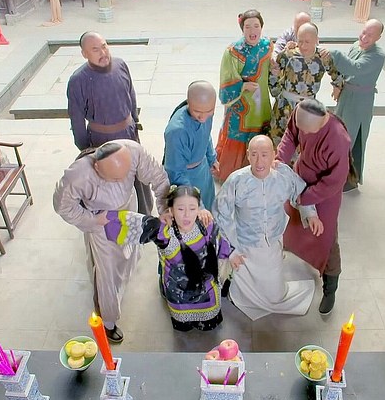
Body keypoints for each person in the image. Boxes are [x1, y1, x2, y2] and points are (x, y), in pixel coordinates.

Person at [53, 140, 170, 342]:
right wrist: (92, 220)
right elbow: (62, 205)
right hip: (102, 219)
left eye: (125, 174)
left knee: (129, 254)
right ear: (97, 167)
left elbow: (159, 178)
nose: (121, 180)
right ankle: (108, 320)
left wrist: (164, 208)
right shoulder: (79, 174)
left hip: (128, 207)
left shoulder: (133, 151)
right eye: (115, 178)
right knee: (106, 270)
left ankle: (122, 286)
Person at [102, 186, 243, 331]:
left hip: (206, 290)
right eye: (180, 209)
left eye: (192, 208)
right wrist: (99, 219)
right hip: (178, 293)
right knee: (184, 325)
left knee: (209, 323)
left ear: (199, 209)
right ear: (171, 210)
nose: (187, 215)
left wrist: (231, 254)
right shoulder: (163, 230)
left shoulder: (206, 225)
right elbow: (132, 223)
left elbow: (219, 241)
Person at [214, 135, 321, 321]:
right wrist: (231, 249)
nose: (259, 161)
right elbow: (221, 213)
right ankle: (237, 291)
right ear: (248, 155)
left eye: (264, 155)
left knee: (275, 293)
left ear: (273, 154)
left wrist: (311, 214)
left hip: (272, 240)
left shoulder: (283, 175)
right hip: (245, 244)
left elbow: (300, 192)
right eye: (254, 154)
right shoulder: (236, 180)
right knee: (243, 290)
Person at [277, 100, 351, 315]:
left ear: (322, 122)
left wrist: (305, 198)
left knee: (326, 238)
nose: (305, 134)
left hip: (324, 193)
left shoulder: (338, 138)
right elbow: (290, 135)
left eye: (308, 131)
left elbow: (335, 180)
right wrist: (279, 161)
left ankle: (330, 288)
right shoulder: (301, 113)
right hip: (300, 178)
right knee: (291, 222)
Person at [67, 31, 155, 213]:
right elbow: (76, 119)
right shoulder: (78, 80)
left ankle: (143, 212)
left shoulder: (120, 65)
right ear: (84, 54)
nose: (103, 53)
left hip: (129, 133)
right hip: (102, 139)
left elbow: (130, 93)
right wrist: (87, 149)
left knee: (136, 173)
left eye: (104, 46)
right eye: (95, 50)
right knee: (111, 181)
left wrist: (134, 120)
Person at [320, 19, 385, 191]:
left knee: (350, 137)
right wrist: (337, 85)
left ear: (378, 38)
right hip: (346, 94)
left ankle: (347, 178)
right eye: (363, 32)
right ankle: (333, 171)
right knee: (336, 132)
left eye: (370, 35)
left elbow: (354, 68)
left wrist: (333, 53)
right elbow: (344, 70)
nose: (364, 37)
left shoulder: (377, 56)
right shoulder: (356, 45)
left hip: (360, 101)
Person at [216, 9, 274, 182]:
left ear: (261, 27)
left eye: (256, 26)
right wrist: (243, 86)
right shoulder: (233, 52)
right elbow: (226, 82)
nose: (252, 30)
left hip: (261, 105)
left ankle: (259, 172)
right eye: (248, 26)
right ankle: (233, 178)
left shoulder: (267, 47)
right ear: (242, 29)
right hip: (240, 106)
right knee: (237, 137)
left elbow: (271, 72)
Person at [268, 23, 344, 145]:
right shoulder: (288, 54)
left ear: (316, 40)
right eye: (300, 41)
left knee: (304, 144)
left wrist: (337, 86)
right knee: (279, 143)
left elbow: (336, 74)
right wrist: (277, 93)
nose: (303, 46)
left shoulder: (323, 57)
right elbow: (272, 75)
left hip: (308, 107)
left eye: (307, 42)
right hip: (285, 106)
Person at [163, 81, 220, 210]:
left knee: (210, 204)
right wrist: (196, 202)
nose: (203, 118)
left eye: (209, 111)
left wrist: (211, 158)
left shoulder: (205, 111)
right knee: (193, 215)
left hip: (203, 168)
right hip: (186, 176)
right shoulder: (177, 131)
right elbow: (175, 173)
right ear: (189, 102)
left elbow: (206, 135)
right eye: (197, 112)